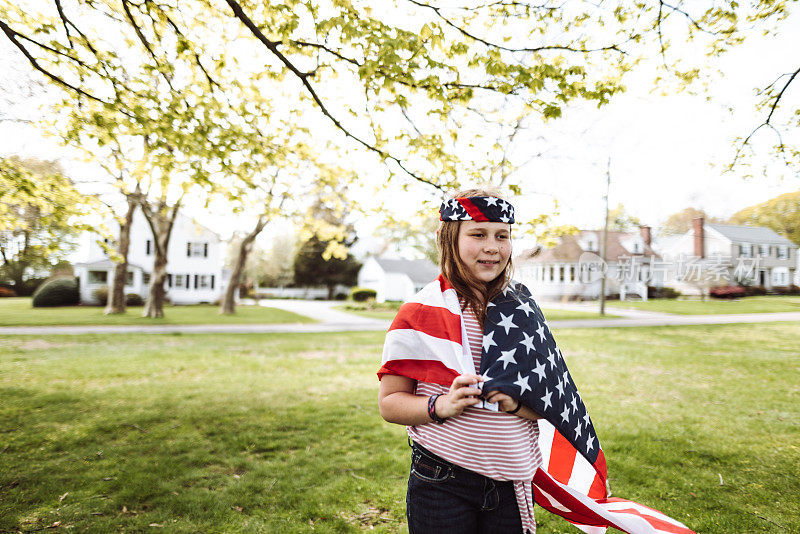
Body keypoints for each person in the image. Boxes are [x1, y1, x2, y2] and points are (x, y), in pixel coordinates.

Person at [377, 188, 542, 534]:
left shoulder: (522, 312)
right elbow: (390, 403)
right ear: (447, 239)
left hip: (510, 482)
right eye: (478, 234)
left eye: (502, 235)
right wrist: (442, 405)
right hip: (442, 478)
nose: (492, 247)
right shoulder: (419, 313)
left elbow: (550, 402)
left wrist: (515, 403)